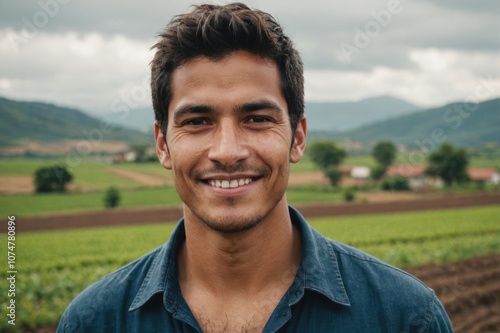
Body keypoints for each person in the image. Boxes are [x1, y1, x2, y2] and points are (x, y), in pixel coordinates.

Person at [57, 3, 454, 332]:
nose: (227, 152)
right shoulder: (92, 322)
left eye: (257, 118)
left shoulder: (405, 318)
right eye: (197, 121)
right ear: (163, 145)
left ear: (297, 137)